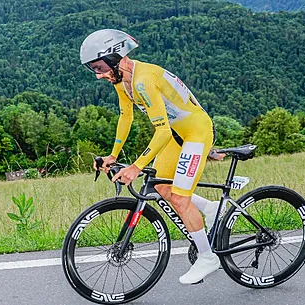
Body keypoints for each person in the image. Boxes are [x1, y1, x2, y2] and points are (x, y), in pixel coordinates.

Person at [81, 29, 223, 284]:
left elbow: (162, 130)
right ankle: (210, 209)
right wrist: (113, 155)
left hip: (196, 133)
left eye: (100, 67)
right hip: (176, 135)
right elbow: (126, 117)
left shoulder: (143, 80)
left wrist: (136, 167)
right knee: (160, 187)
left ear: (116, 58)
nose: (99, 74)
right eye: (93, 69)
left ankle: (207, 257)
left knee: (179, 199)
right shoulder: (122, 80)